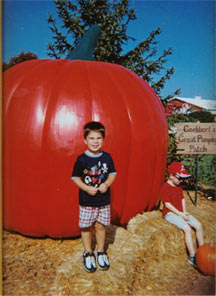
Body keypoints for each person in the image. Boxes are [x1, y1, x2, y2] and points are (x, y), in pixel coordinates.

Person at [72, 121, 117, 273]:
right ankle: (88, 252)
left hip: (103, 201)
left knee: (101, 226)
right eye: (91, 138)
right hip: (86, 201)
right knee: (86, 227)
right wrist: (86, 188)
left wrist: (107, 184)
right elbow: (75, 178)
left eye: (98, 138)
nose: (95, 141)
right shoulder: (81, 159)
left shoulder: (107, 157)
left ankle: (100, 251)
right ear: (85, 140)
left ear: (103, 139)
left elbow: (112, 173)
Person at [160, 161, 204, 268]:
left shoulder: (179, 187)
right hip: (170, 213)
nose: (181, 181)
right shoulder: (165, 187)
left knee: (198, 225)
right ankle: (192, 256)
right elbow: (167, 204)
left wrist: (184, 212)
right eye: (179, 178)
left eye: (182, 179)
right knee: (187, 229)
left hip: (181, 213)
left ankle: (203, 251)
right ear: (171, 176)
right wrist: (180, 214)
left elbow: (182, 200)